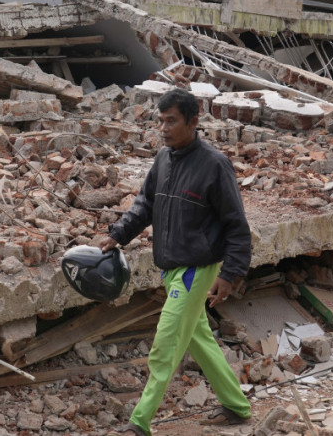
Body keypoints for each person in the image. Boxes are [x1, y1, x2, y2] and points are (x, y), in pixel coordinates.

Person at [101, 88, 252, 436]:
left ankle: (139, 422)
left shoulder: (215, 166)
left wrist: (229, 275)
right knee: (198, 338)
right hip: (170, 268)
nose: (164, 128)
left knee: (165, 345)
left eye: (172, 121)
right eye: (161, 120)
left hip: (196, 269)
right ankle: (236, 405)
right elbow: (144, 205)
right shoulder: (164, 159)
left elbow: (237, 228)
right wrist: (118, 234)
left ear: (193, 121)